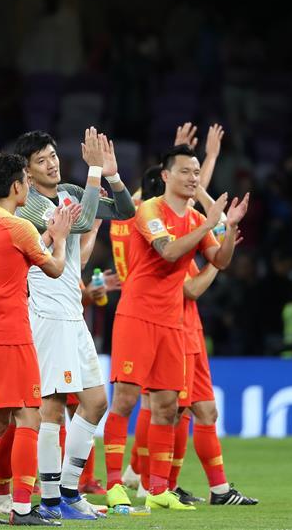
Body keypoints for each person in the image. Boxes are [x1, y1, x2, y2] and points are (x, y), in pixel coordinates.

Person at [103, 144, 248, 511]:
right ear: (166, 176)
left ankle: (157, 490)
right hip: (137, 315)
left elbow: (220, 260)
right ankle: (114, 484)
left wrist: (227, 229)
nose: (193, 178)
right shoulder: (149, 209)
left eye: (197, 172)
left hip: (172, 322)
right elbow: (167, 251)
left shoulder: (199, 220)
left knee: (168, 406)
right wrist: (206, 224)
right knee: (125, 400)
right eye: (185, 171)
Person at [12, 128, 135, 521]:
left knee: (97, 401)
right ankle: (49, 500)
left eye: (53, 154)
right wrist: (94, 171)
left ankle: (67, 491)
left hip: (72, 313)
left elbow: (124, 212)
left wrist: (111, 174)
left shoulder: (67, 190)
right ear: (28, 174)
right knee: (52, 405)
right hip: (46, 314)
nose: (53, 162)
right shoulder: (28, 207)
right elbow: (80, 227)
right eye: (42, 160)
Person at [0, 152, 74, 526]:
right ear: (16, 186)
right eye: (25, 181)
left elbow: (13, 258)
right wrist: (58, 238)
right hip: (11, 332)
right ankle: (23, 509)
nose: (29, 186)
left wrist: (44, 237)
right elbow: (56, 269)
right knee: (30, 416)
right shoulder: (18, 227)